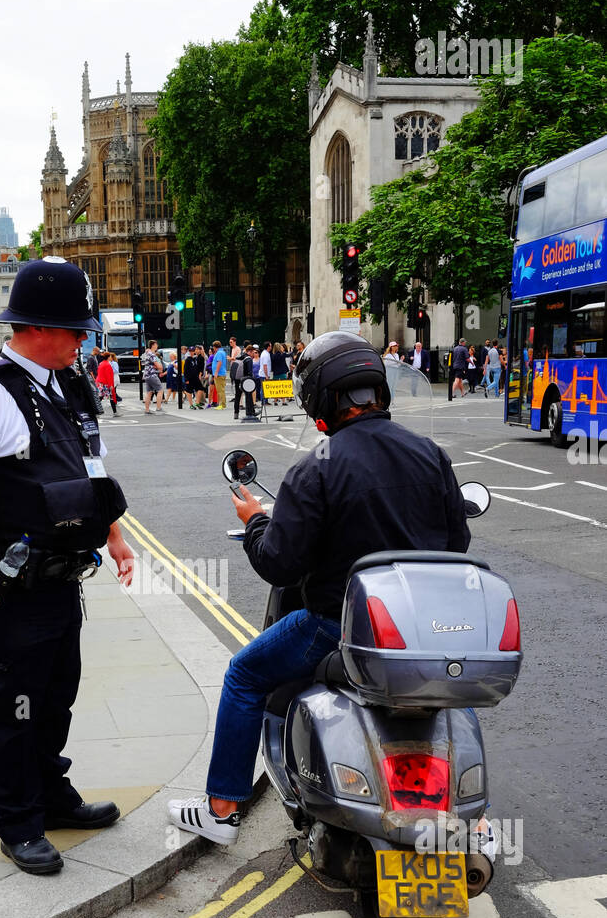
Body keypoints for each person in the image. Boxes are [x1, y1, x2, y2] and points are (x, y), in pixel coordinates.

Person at [167, 331, 470, 844]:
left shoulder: (318, 466)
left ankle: (221, 810)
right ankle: (474, 818)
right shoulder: (429, 454)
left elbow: (280, 565)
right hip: (421, 629)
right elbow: (457, 541)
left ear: (321, 398)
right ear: (380, 390)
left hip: (338, 626)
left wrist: (256, 522)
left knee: (243, 676)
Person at [0, 256, 134, 876]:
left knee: (54, 698)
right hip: (6, 588)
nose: (83, 340)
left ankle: (51, 795)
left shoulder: (67, 386)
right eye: (75, 330)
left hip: (61, 581)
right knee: (11, 703)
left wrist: (114, 535)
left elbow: (89, 475)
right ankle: (18, 820)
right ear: (40, 329)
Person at [141, 339, 164, 414]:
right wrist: (160, 367)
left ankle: (147, 409)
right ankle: (158, 408)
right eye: (156, 344)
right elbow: (158, 365)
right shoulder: (152, 354)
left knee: (149, 392)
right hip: (152, 374)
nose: (157, 346)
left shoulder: (147, 353)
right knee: (160, 390)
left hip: (147, 375)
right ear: (153, 345)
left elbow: (144, 363)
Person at [95, 348, 118, 415]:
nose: (111, 357)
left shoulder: (101, 363)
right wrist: (111, 385)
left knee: (101, 397)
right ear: (108, 357)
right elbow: (109, 376)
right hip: (106, 383)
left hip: (101, 383)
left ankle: (96, 411)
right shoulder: (108, 365)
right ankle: (115, 412)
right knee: (110, 397)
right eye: (110, 356)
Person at [211, 340, 227, 409]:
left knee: (220, 390)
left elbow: (219, 362)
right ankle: (222, 403)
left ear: (215, 347)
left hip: (219, 374)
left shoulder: (219, 353)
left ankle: (222, 404)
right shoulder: (222, 352)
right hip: (221, 373)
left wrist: (216, 372)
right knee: (221, 389)